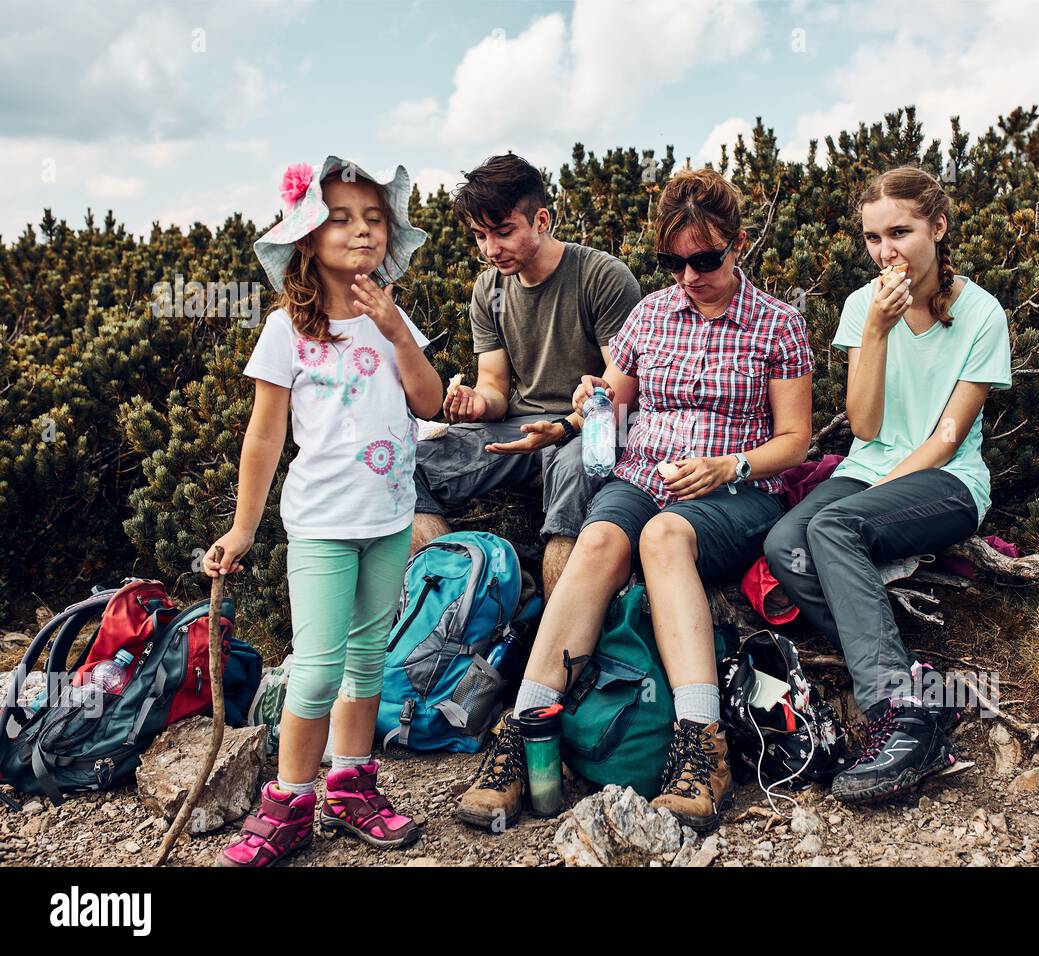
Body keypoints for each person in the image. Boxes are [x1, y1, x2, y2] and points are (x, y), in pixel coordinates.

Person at [457, 168, 813, 832]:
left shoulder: (778, 324)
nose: (689, 275)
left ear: (738, 244)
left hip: (735, 490)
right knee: (597, 541)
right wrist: (579, 414)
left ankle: (700, 746)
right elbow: (612, 402)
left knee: (663, 539)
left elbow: (795, 440)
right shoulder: (651, 314)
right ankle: (526, 730)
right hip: (641, 475)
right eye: (673, 262)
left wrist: (726, 465)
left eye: (705, 260)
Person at [204, 157, 443, 866]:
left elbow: (428, 403)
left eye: (374, 219)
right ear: (308, 237)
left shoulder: (393, 321)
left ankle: (351, 784)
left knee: (367, 661)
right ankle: (289, 802)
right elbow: (265, 436)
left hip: (390, 518)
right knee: (315, 669)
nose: (362, 231)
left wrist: (398, 331)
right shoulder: (286, 330)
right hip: (320, 527)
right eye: (341, 218)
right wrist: (244, 528)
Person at [764, 165, 1012, 806]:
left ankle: (897, 713)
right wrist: (874, 330)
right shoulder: (860, 306)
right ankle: (915, 683)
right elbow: (867, 425)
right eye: (873, 238)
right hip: (866, 468)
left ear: (939, 226)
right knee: (785, 545)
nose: (886, 251)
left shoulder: (983, 314)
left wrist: (868, 499)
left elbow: (947, 437)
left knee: (833, 526)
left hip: (948, 480)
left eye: (899, 232)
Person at [410, 154, 643, 598]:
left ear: (541, 219)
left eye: (503, 232)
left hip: (587, 431)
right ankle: (462, 601)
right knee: (405, 463)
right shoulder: (490, 290)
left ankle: (557, 651)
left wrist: (561, 429)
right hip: (519, 430)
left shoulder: (602, 277)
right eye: (480, 236)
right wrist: (477, 404)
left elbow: (619, 393)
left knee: (576, 475)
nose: (490, 249)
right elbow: (495, 387)